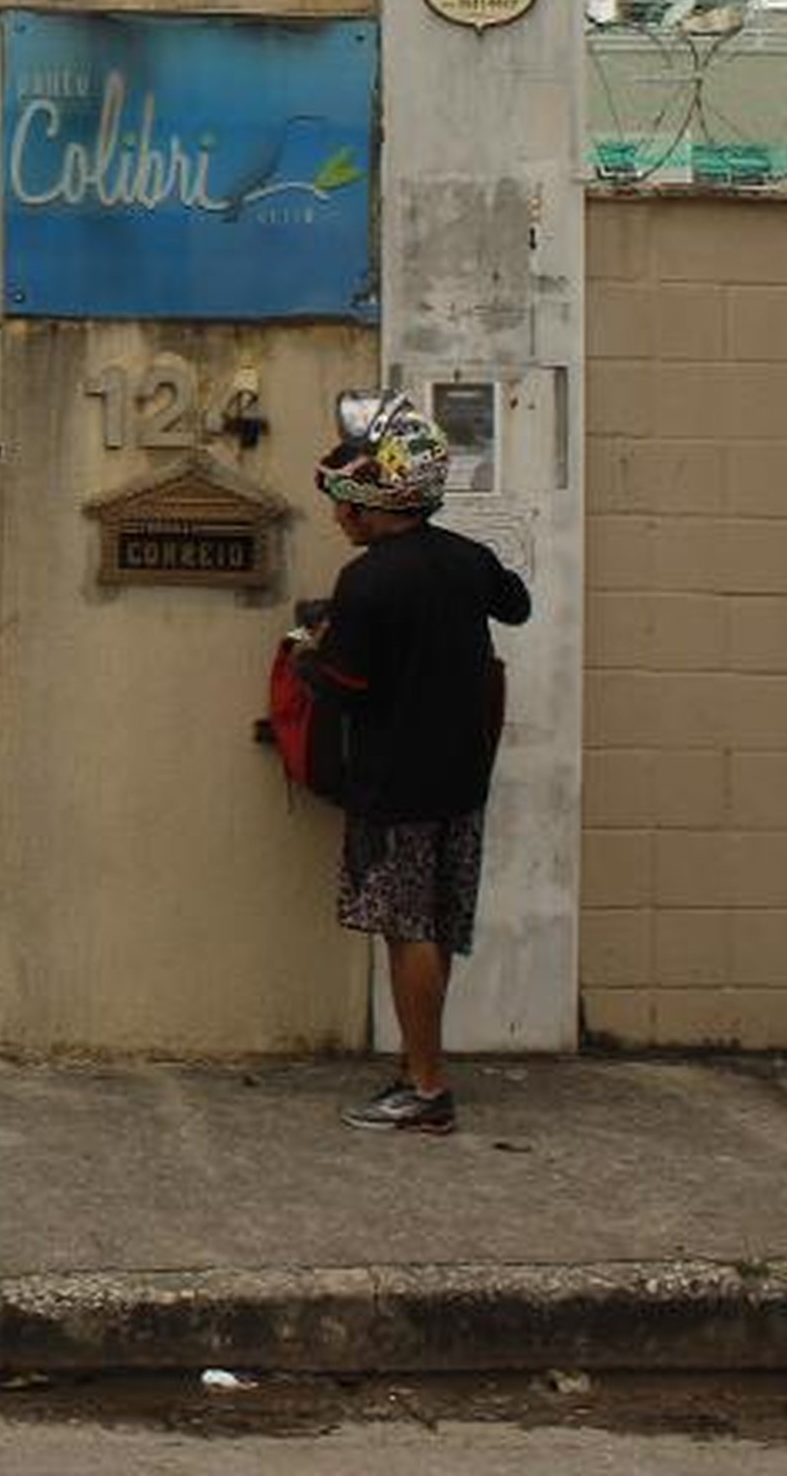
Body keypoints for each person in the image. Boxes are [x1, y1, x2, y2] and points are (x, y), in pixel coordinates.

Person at [311, 396, 532, 1136]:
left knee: (407, 931)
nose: (339, 516)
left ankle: (428, 1089)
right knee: (434, 926)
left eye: (346, 501)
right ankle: (416, 1064)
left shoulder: (368, 582)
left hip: (395, 785)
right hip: (461, 779)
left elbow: (341, 686)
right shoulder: (466, 560)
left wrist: (312, 649)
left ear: (378, 497)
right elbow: (517, 604)